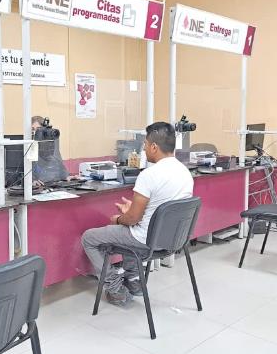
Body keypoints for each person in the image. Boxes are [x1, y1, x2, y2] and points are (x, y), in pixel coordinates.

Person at [81, 122, 194, 306]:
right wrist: (132, 211)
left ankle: (114, 287)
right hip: (174, 240)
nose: (144, 149)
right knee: (129, 228)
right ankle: (134, 281)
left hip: (146, 241)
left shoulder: (149, 175)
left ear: (154, 147)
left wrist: (119, 219)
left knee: (89, 238)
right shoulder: (184, 172)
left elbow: (133, 219)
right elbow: (158, 207)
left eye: (145, 145)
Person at [31, 115, 74, 184]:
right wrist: (32, 180)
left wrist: (66, 176)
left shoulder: (51, 139)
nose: (36, 132)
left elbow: (57, 158)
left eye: (38, 129)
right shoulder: (29, 143)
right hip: (38, 182)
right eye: (33, 129)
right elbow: (29, 165)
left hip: (52, 181)